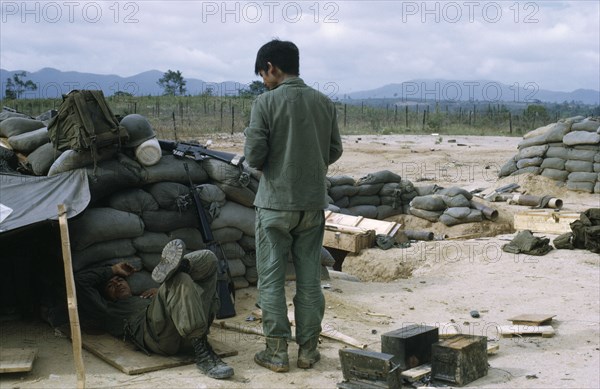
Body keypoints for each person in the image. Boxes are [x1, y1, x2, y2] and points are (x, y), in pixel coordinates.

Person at [243, 39, 343, 372]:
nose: (263, 81)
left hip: (274, 205)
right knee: (310, 280)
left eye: (263, 74)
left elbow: (254, 156)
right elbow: (334, 151)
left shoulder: (265, 103)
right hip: (312, 205)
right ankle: (308, 351)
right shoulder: (324, 103)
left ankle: (276, 352)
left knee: (271, 282)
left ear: (271, 67)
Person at [74, 239, 234, 380]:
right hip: (158, 338)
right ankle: (204, 356)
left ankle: (180, 267)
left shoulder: (144, 296)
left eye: (119, 280)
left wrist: (163, 294)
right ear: (106, 296)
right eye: (111, 286)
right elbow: (80, 282)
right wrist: (113, 270)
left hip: (184, 331)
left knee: (209, 258)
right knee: (180, 279)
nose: (117, 284)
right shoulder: (106, 308)